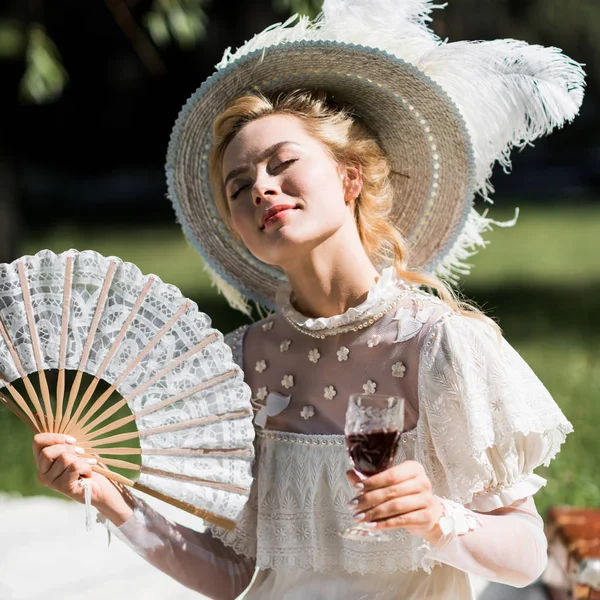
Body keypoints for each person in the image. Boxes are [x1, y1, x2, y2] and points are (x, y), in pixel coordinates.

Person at [32, 1, 584, 598]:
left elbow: (526, 557)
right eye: (239, 187)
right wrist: (114, 501)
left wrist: (438, 518)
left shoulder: (440, 344)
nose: (262, 187)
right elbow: (234, 575)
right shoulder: (241, 363)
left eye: (283, 163)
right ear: (238, 228)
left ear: (350, 179)